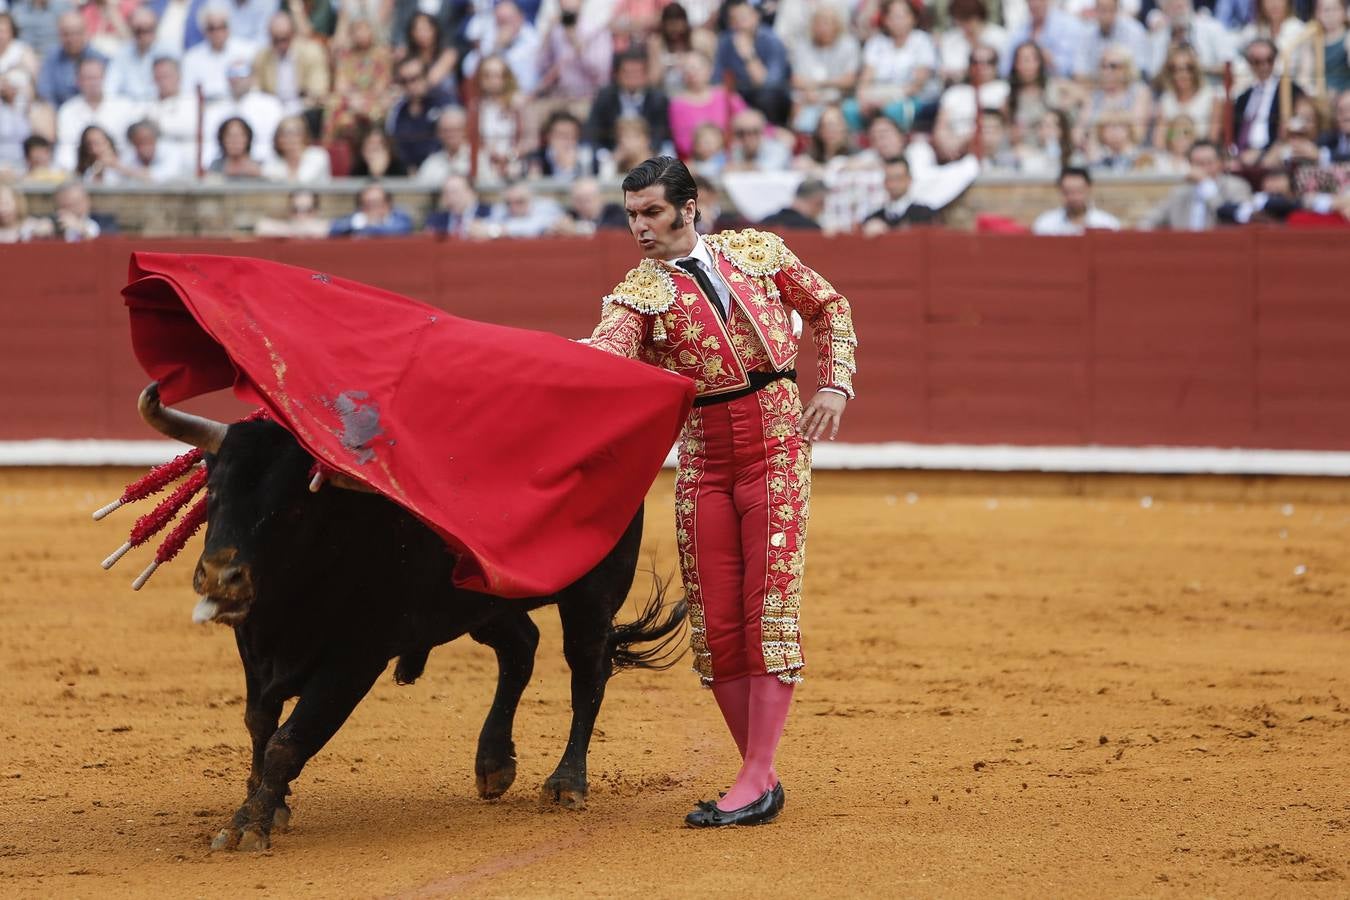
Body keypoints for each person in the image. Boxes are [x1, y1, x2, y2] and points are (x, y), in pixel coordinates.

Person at [586, 156, 857, 828]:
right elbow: (602, 354)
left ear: (689, 206)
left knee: (770, 608)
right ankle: (757, 775)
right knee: (718, 625)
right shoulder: (636, 296)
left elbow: (828, 305)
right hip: (703, 463)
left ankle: (755, 779)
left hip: (776, 447)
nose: (640, 227)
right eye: (631, 215)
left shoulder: (758, 252)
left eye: (651, 211)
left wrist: (833, 383)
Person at [1142, 139, 1253, 229]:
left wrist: (1207, 186)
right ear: (1190, 165)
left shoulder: (1236, 186)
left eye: (1209, 163)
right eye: (1198, 164)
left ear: (1220, 164)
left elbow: (1239, 217)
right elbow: (1151, 219)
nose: (1204, 168)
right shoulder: (1180, 191)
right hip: (1183, 250)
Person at [1032, 166, 1121, 234]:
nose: (1074, 197)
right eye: (1068, 192)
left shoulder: (1108, 223)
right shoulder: (1046, 224)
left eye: (1079, 191)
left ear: (1088, 189)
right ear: (1061, 191)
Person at [861, 154, 937, 232]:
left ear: (909, 180)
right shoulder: (874, 219)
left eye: (899, 178)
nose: (894, 184)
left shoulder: (924, 215)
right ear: (884, 182)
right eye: (890, 179)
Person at [328, 181, 413, 236]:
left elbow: (401, 229)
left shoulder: (399, 218)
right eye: (366, 204)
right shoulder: (358, 218)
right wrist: (355, 223)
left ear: (387, 204)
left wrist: (367, 227)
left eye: (375, 203)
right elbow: (334, 228)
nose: (371, 208)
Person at [759, 176, 828, 229]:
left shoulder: (766, 222)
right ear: (801, 200)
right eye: (818, 204)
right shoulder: (811, 229)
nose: (822, 209)